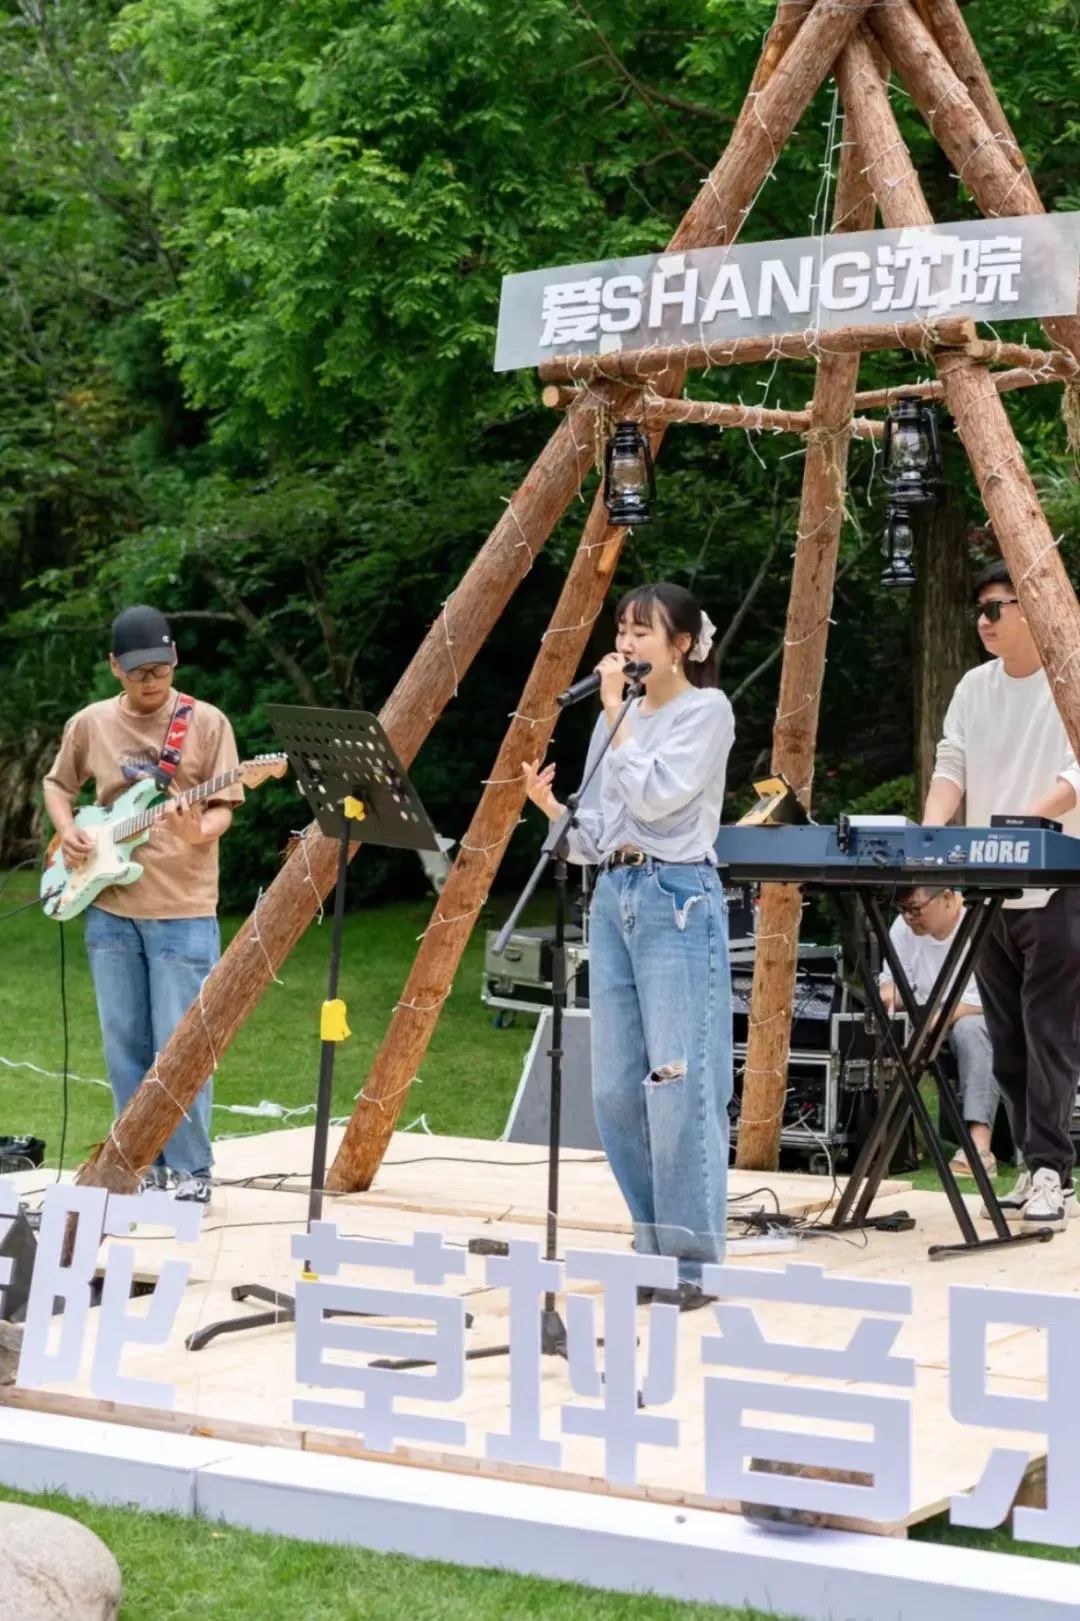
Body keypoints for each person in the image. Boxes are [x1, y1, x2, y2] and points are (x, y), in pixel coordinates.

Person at [523, 582, 735, 1310]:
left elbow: (657, 799)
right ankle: (653, 1249)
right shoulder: (615, 721)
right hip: (612, 897)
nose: (626, 643)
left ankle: (692, 1263)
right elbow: (598, 832)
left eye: (642, 632)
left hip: (677, 897)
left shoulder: (706, 711)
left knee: (679, 1085)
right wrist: (552, 809)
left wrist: (617, 714)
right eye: (621, 630)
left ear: (682, 645)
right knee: (615, 1090)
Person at [43, 605, 244, 1204]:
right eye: (137, 672)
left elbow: (224, 809)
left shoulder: (206, 723)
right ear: (115, 667)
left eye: (159, 668)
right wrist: (68, 832)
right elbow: (58, 785)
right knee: (124, 1043)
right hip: (107, 904)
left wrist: (194, 830)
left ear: (175, 658)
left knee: (182, 1048)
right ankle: (138, 1162)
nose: (150, 681)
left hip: (183, 909)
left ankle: (192, 1171)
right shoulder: (90, 723)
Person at [924, 558, 1080, 1226]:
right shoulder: (973, 686)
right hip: (989, 884)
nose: (984, 622)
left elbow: (1076, 771)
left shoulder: (1069, 679)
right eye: (979, 610)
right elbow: (951, 762)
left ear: (1030, 610)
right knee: (1006, 1037)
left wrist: (1025, 823)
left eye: (996, 608)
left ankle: (1051, 1169)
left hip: (1056, 881)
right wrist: (931, 834)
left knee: (1051, 1033)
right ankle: (1031, 1163)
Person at [878, 885, 1003, 1178]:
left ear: (947, 898)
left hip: (973, 1017)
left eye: (915, 908)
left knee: (973, 1032)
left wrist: (932, 1022)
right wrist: (888, 994)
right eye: (902, 910)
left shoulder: (981, 922)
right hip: (924, 1015)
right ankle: (898, 1142)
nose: (908, 917)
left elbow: (985, 1001)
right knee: (883, 1029)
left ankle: (979, 1148)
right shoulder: (902, 929)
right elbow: (894, 982)